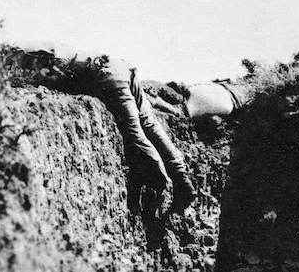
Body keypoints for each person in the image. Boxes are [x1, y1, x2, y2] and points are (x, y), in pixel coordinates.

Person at [17, 43, 197, 211]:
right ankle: (183, 181)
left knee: (134, 132)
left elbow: (56, 78)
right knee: (150, 125)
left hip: (109, 77)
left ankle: (160, 185)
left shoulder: (40, 57)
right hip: (121, 67)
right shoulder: (52, 48)